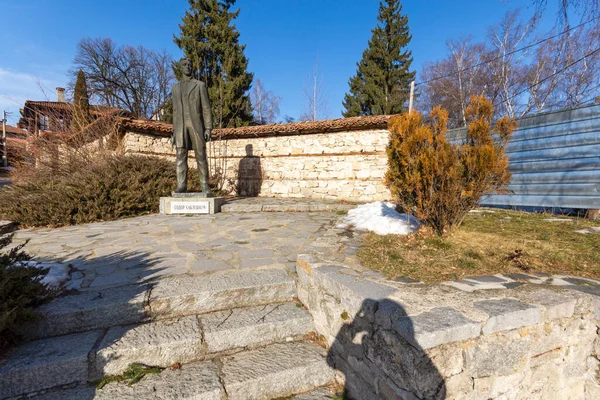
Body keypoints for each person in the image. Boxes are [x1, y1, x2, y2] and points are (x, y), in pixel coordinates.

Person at [171, 57, 213, 194]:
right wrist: (174, 132)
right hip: (180, 127)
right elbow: (175, 111)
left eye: (189, 64)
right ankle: (181, 185)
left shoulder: (199, 85)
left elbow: (206, 108)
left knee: (201, 155)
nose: (187, 66)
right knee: (180, 157)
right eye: (184, 64)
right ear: (180, 68)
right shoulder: (175, 88)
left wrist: (208, 128)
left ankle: (205, 186)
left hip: (196, 125)